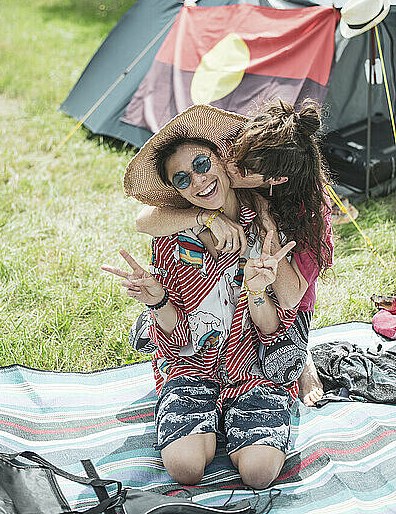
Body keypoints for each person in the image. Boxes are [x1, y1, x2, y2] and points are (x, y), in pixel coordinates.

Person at [102, 104, 302, 489]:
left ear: (220, 159)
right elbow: (176, 343)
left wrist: (258, 292)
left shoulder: (263, 221)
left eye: (201, 163)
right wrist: (157, 301)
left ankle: (236, 417)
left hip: (252, 370)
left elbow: (276, 325)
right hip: (192, 368)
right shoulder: (173, 236)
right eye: (182, 178)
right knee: (185, 468)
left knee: (259, 474)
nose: (198, 180)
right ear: (176, 191)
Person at [136, 99, 334, 406]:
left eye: (242, 167)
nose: (229, 165)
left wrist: (267, 226)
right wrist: (206, 218)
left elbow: (291, 296)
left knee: (281, 363)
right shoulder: (230, 158)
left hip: (289, 295)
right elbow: (144, 220)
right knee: (183, 309)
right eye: (232, 152)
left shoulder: (309, 208)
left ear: (275, 180)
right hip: (227, 291)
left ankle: (304, 352)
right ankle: (158, 317)